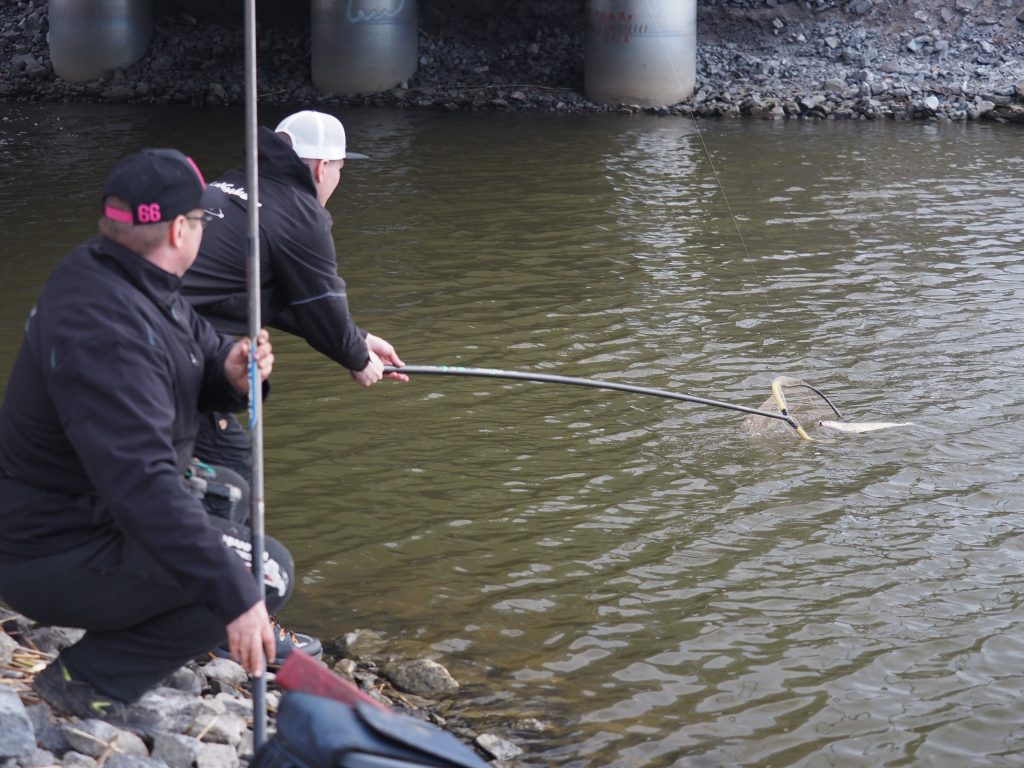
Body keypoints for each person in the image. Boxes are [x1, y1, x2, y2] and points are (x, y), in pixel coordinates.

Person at [0, 149, 288, 724]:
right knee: (265, 571)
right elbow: (142, 488)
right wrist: (237, 597)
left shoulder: (122, 271)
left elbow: (197, 347)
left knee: (226, 492)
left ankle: (128, 641)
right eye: (203, 220)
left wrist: (230, 372)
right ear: (180, 229)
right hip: (52, 548)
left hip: (85, 515)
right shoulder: (104, 330)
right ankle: (87, 683)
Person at [182, 111, 409, 658]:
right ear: (324, 165)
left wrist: (356, 338)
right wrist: (356, 357)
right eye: (338, 170)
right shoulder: (301, 212)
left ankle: (193, 601)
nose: (336, 181)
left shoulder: (233, 184)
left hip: (158, 337)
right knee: (231, 472)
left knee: (201, 474)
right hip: (182, 355)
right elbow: (319, 302)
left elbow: (256, 292)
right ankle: (230, 620)